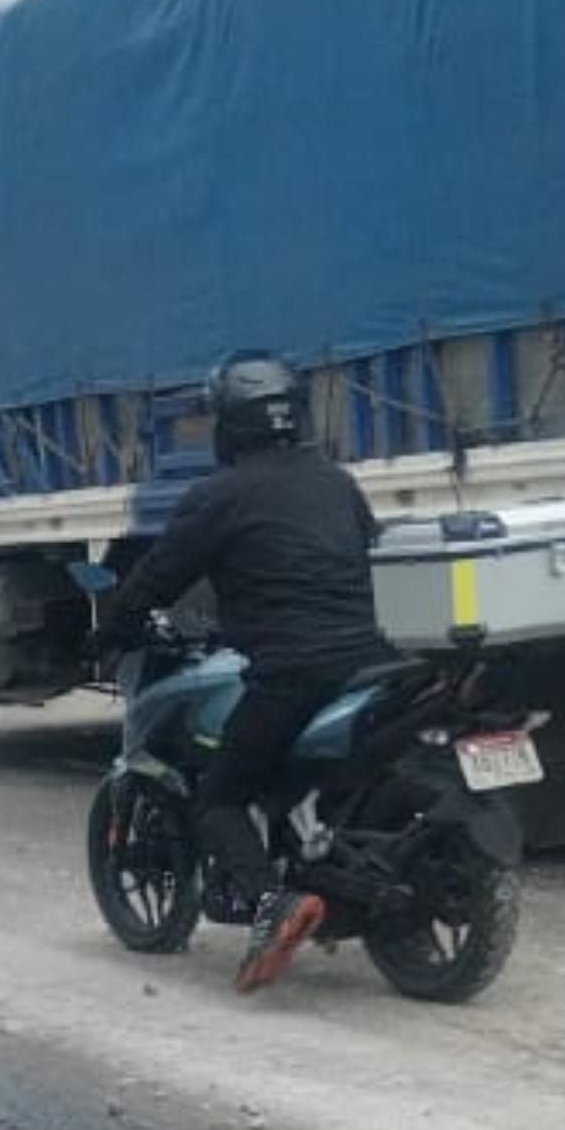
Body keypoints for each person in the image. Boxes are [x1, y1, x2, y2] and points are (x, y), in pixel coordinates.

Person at [88, 351, 391, 996]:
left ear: (230, 423)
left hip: (293, 672)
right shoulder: (337, 482)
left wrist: (106, 633)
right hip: (372, 662)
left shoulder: (219, 496)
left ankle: (270, 902)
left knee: (219, 797)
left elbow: (156, 578)